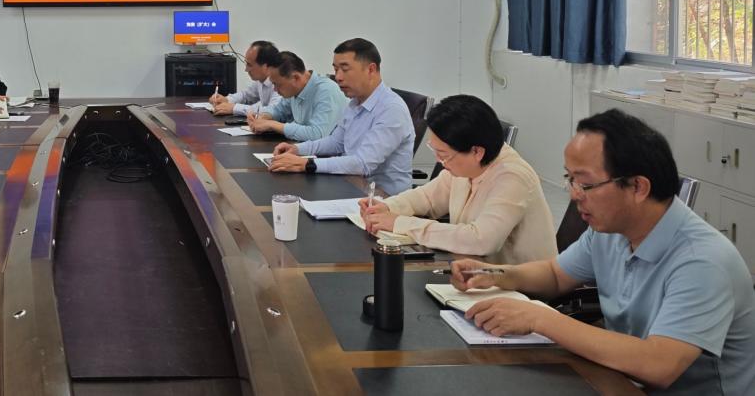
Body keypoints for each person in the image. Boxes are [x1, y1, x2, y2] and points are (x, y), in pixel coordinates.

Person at [451, 109, 755, 393]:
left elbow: (659, 364)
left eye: (585, 184)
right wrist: (492, 273)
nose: (574, 195)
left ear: (638, 187)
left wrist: (540, 319)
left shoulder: (703, 261)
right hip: (619, 380)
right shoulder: (611, 231)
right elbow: (556, 275)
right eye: (570, 179)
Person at [358, 94, 556, 262]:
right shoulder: (466, 166)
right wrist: (387, 208)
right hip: (475, 273)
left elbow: (481, 240)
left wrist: (400, 223)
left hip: (521, 288)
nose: (439, 161)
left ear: (476, 152)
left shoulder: (512, 177)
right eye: (434, 151)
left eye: (443, 155)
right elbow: (426, 198)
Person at [269, 38, 413, 195]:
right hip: (352, 186)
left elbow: (362, 164)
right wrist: (297, 149)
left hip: (383, 198)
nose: (338, 77)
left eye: (344, 69)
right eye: (336, 69)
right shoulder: (355, 103)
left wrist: (306, 164)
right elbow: (336, 142)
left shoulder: (391, 109)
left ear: (370, 69)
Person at [248, 50, 347, 141]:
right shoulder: (294, 90)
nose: (275, 89)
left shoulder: (326, 91)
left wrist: (272, 125)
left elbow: (317, 134)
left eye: (277, 84)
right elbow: (279, 110)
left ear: (295, 78)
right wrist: (263, 117)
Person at [209, 40, 281, 116]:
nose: (246, 69)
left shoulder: (281, 84)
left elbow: (272, 111)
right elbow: (246, 95)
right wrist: (226, 99)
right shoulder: (261, 80)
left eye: (249, 65)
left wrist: (234, 108)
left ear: (265, 66)